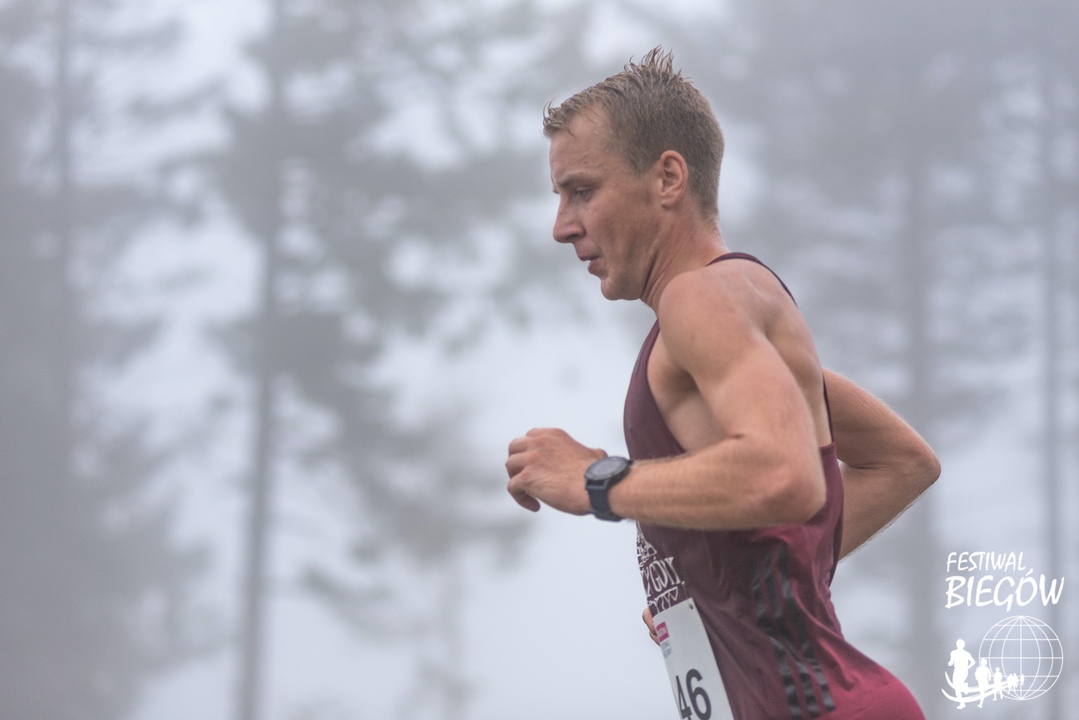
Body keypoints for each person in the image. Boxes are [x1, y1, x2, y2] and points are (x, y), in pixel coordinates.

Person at [505, 47, 940, 720]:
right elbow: (901, 462)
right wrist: (713, 591)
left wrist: (596, 481)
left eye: (582, 191)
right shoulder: (730, 315)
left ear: (667, 178)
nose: (561, 226)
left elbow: (785, 476)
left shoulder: (699, 298)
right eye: (559, 197)